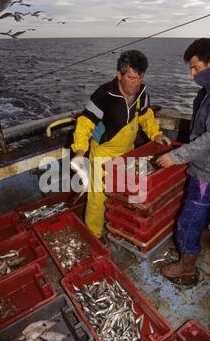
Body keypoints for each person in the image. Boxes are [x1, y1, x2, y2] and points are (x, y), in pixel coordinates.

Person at [157, 38, 210, 279]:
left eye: (195, 67)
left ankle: (187, 264)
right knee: (201, 209)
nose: (191, 73)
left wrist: (176, 156)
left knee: (189, 218)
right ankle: (200, 239)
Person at [71, 49, 170, 239]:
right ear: (119, 74)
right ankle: (95, 236)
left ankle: (120, 228)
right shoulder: (103, 94)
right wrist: (80, 151)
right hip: (103, 153)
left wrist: (155, 135)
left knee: (128, 196)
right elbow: (85, 123)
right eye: (131, 78)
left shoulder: (142, 94)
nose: (136, 83)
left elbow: (145, 116)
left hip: (127, 154)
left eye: (139, 78)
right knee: (98, 199)